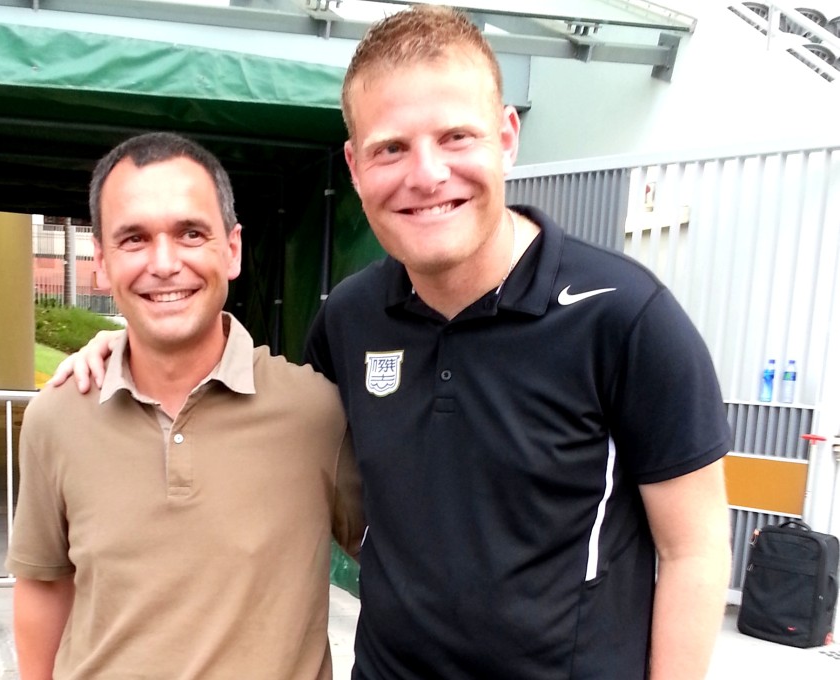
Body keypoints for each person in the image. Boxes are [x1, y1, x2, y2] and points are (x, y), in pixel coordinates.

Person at [53, 6, 732, 680]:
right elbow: (264, 423)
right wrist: (134, 353)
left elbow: (694, 551)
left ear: (506, 137)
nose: (426, 174)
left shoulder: (625, 317)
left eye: (456, 136)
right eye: (391, 148)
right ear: (354, 165)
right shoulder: (350, 319)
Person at [7, 131, 364, 680]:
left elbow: (412, 563)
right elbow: (43, 583)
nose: (164, 262)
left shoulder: (318, 415)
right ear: (100, 261)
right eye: (134, 239)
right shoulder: (57, 417)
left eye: (190, 233)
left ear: (233, 249)